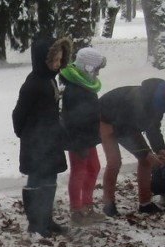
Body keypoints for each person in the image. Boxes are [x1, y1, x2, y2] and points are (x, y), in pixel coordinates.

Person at [12, 36, 72, 237]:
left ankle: (46, 219)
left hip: (50, 140)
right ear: (42, 60)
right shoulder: (32, 84)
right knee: (37, 180)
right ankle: (35, 224)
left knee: (50, 179)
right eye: (54, 60)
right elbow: (18, 114)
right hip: (35, 143)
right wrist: (27, 135)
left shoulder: (49, 80)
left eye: (59, 60)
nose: (57, 65)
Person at [98, 75, 165, 216]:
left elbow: (153, 128)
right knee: (114, 161)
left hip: (128, 126)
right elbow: (123, 130)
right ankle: (108, 203)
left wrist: (160, 150)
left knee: (146, 161)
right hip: (106, 119)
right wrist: (145, 152)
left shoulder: (158, 103)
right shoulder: (137, 101)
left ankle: (145, 203)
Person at [59, 47, 108, 226]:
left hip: (88, 136)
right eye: (96, 68)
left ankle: (87, 205)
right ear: (87, 68)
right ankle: (76, 210)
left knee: (94, 167)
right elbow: (72, 119)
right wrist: (79, 145)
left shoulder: (85, 84)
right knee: (79, 171)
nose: (98, 72)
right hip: (78, 140)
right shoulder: (75, 90)